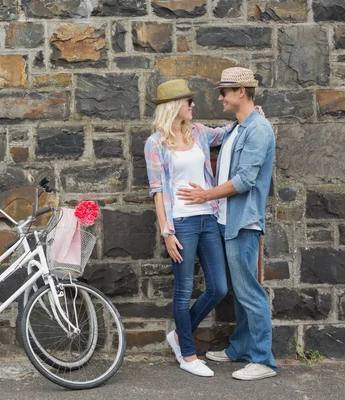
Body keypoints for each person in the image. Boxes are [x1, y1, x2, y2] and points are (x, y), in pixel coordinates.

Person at [177, 67, 278, 381]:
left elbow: (246, 180)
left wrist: (205, 194)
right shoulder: (239, 127)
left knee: (250, 291)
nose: (220, 97)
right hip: (224, 219)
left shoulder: (258, 129)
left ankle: (263, 360)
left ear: (242, 92)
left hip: (242, 222)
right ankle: (240, 349)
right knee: (237, 289)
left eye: (224, 91)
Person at [144, 79, 231, 377]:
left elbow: (227, 133)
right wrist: (166, 232)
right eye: (188, 101)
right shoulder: (155, 144)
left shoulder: (199, 133)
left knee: (219, 287)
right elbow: (157, 191)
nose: (193, 105)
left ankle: (180, 336)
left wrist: (250, 115)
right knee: (183, 291)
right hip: (181, 222)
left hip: (209, 217)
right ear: (174, 106)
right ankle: (189, 355)